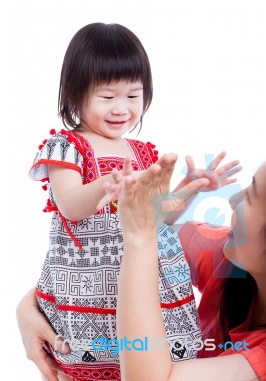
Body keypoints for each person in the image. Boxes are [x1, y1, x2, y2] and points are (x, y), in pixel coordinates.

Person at [17, 22, 240, 381]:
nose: (121, 108)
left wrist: (191, 187)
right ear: (74, 93)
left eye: (133, 96)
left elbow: (158, 218)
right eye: (107, 97)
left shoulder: (141, 151)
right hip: (91, 282)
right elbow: (71, 206)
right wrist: (108, 183)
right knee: (87, 367)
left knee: (146, 361)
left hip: (141, 281)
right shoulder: (67, 147)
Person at [111, 154, 266, 380]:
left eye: (250, 197)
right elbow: (155, 234)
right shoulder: (229, 260)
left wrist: (139, 238)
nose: (233, 199)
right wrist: (40, 302)